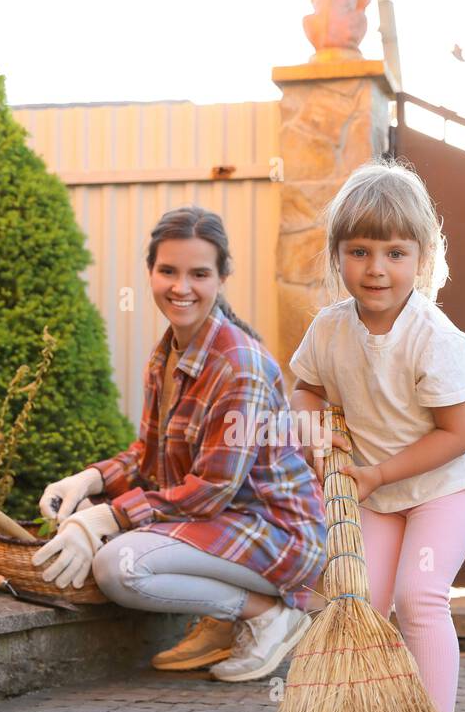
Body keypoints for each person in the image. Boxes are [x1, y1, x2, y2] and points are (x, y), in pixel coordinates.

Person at [34, 206, 326, 682]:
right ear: (150, 271)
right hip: (223, 522)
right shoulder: (167, 353)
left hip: (276, 532)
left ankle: (266, 615)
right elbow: (147, 456)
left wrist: (106, 517)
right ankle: (226, 618)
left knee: (118, 565)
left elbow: (210, 491)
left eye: (199, 273)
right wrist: (88, 479)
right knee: (118, 539)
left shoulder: (240, 367)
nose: (181, 287)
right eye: (167, 270)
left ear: (222, 276)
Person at [289, 158, 465, 712]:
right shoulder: (329, 329)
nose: (376, 269)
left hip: (439, 490)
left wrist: (375, 474)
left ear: (422, 259)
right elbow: (305, 389)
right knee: (360, 604)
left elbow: (458, 433)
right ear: (338, 256)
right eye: (360, 252)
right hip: (374, 494)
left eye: (395, 254)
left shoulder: (436, 339)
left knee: (418, 597)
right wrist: (314, 431)